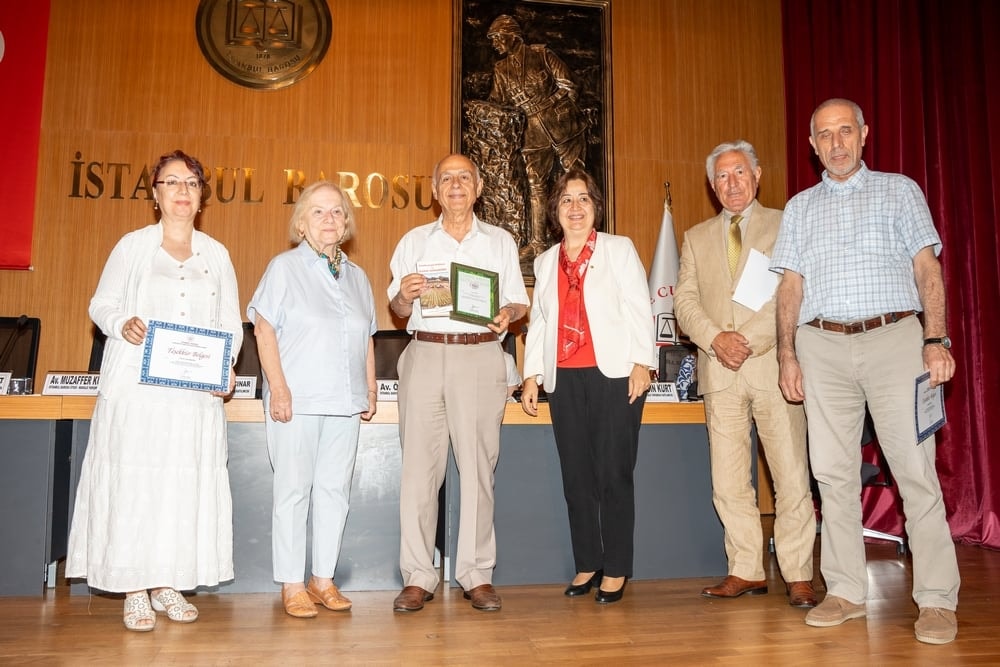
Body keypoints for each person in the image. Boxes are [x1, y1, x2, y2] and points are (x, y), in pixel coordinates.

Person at [772, 98, 960, 644]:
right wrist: (787, 354)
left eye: (845, 131)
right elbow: (790, 288)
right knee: (833, 475)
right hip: (821, 345)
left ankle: (936, 598)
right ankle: (846, 591)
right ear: (812, 146)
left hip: (895, 340)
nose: (836, 143)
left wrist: (935, 340)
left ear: (864, 134)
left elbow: (927, 268)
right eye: (824, 135)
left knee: (915, 472)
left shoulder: (900, 191)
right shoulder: (799, 208)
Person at [66, 150, 242, 632]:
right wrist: (122, 322)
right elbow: (101, 304)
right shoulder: (133, 246)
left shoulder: (217, 254)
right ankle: (134, 587)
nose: (183, 190)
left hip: (192, 397)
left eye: (192, 183)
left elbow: (230, 322)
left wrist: (225, 365)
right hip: (136, 391)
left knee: (178, 487)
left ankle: (167, 581)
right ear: (155, 194)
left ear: (202, 196)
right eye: (172, 182)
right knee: (135, 484)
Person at [674, 140, 817, 608]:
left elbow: (792, 292)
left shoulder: (786, 222)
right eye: (721, 176)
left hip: (774, 367)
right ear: (711, 185)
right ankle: (746, 570)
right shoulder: (695, 237)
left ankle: (798, 573)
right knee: (729, 480)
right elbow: (684, 302)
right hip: (719, 372)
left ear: (757, 176)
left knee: (790, 475)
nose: (731, 183)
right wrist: (716, 338)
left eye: (739, 172)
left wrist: (748, 341)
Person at [388, 153, 529, 613]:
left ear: (478, 187)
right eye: (446, 178)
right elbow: (398, 309)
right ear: (434, 190)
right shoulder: (413, 241)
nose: (455, 185)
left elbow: (518, 303)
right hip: (425, 354)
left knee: (478, 469)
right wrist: (403, 296)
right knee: (418, 472)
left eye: (464, 177)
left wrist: (508, 313)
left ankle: (476, 573)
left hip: (480, 355)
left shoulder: (500, 241)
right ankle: (418, 575)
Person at [520, 168, 655, 604]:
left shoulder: (618, 249)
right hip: (564, 378)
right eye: (566, 200)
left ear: (596, 206)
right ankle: (588, 562)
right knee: (576, 475)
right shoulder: (545, 261)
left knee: (614, 473)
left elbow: (639, 307)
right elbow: (541, 321)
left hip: (614, 375)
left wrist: (643, 363)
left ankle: (616, 567)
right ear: (555, 210)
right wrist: (531, 375)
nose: (575, 207)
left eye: (583, 199)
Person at [247, 181, 377, 619]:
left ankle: (323, 579)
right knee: (293, 491)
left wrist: (370, 387)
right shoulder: (284, 268)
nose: (329, 219)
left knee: (335, 492)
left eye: (337, 211)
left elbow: (366, 337)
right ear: (301, 223)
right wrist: (279, 388)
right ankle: (292, 583)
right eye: (318, 211)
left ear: (347, 223)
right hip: (296, 399)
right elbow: (263, 329)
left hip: (345, 400)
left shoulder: (358, 278)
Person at [487, 14, 588, 261]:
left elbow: (570, 86)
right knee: (536, 186)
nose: (495, 44)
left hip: (564, 128)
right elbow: (498, 102)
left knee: (576, 183)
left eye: (498, 37)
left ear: (512, 35)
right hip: (532, 136)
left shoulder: (541, 54)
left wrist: (547, 105)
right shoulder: (501, 69)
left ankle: (582, 241)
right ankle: (538, 244)